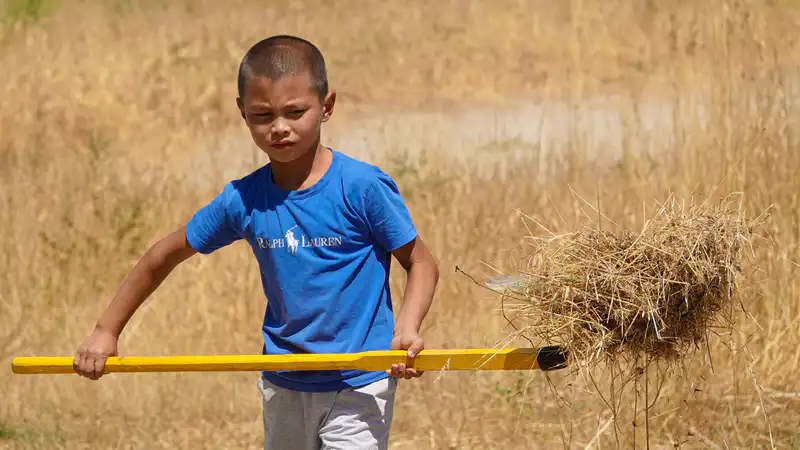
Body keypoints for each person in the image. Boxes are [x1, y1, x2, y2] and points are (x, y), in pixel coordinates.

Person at [72, 34, 440, 450]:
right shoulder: (242, 200)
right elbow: (162, 256)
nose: (279, 127)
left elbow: (421, 263)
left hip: (360, 380)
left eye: (295, 112)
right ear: (243, 113)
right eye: (263, 115)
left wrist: (406, 330)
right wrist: (106, 331)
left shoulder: (363, 187)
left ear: (327, 106)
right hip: (282, 380)